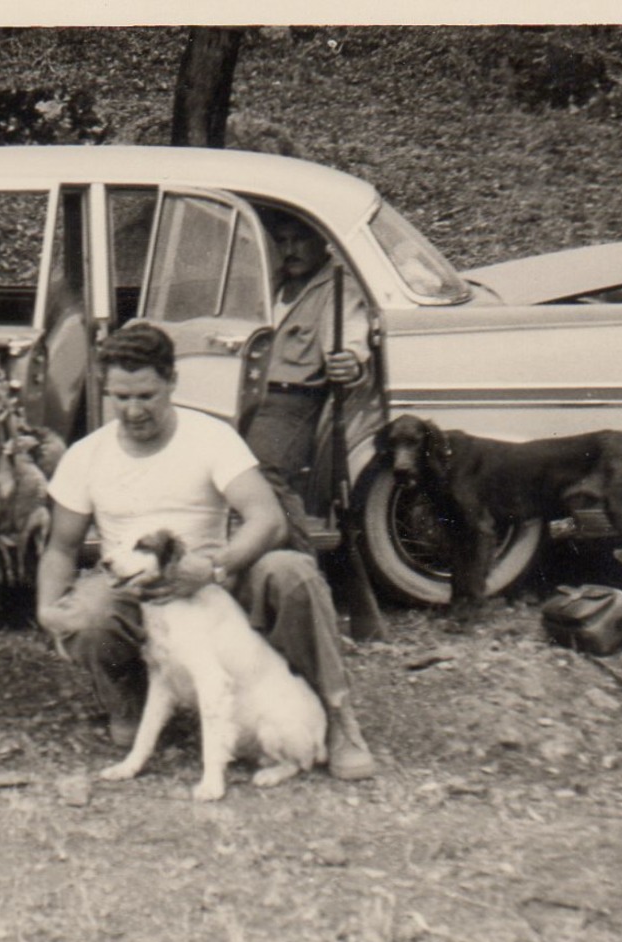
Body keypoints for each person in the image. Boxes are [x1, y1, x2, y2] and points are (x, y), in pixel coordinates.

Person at [34, 321, 376, 781]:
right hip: (133, 588)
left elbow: (267, 518)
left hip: (212, 582)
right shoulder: (86, 455)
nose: (133, 410)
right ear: (106, 390)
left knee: (292, 571)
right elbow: (60, 547)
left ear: (172, 382)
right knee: (84, 613)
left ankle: (337, 718)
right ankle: (128, 699)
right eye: (121, 397)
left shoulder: (210, 436)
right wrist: (46, 610)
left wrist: (214, 567)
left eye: (146, 396)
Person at [244, 208, 372, 516]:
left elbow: (349, 335)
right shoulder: (271, 282)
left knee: (262, 473)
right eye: (282, 241)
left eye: (299, 240)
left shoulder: (338, 287)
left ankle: (296, 555)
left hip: (289, 401)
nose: (290, 250)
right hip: (244, 395)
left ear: (322, 241)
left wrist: (351, 360)